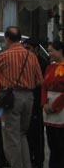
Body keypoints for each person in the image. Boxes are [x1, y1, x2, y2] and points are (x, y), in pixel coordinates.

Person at [0, 26, 43, 168]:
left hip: (11, 97)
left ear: (7, 39)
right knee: (22, 134)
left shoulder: (5, 55)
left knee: (11, 137)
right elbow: (40, 81)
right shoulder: (32, 56)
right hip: (29, 97)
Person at [23, 37, 49, 168]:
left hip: (37, 102)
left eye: (28, 49)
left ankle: (38, 160)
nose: (26, 51)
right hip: (26, 101)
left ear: (36, 50)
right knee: (26, 133)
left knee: (37, 133)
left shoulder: (43, 64)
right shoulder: (25, 62)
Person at [41, 40, 64, 168]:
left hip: (60, 107)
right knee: (51, 142)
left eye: (51, 51)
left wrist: (55, 106)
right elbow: (44, 87)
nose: (49, 54)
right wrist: (44, 103)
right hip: (48, 106)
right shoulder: (50, 67)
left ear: (60, 51)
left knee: (61, 142)